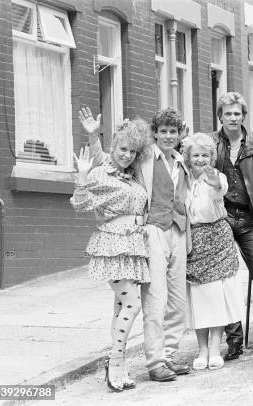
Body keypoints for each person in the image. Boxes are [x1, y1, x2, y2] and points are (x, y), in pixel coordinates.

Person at [80, 107, 192, 381]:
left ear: (179, 135)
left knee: (178, 301)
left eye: (173, 132)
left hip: (178, 230)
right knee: (155, 299)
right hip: (150, 230)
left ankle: (170, 354)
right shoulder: (143, 159)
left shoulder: (181, 160)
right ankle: (155, 362)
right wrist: (94, 137)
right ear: (154, 134)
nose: (168, 136)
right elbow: (108, 160)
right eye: (162, 131)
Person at [70, 119, 150, 391]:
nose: (126, 155)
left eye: (132, 151)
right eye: (122, 149)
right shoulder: (99, 174)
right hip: (112, 245)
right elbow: (80, 205)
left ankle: (119, 366)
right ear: (113, 146)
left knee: (120, 306)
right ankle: (114, 361)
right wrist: (81, 178)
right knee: (132, 304)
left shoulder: (132, 174)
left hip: (133, 246)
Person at [206, 92, 253, 359]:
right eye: (228, 113)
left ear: (243, 116)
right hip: (221, 218)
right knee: (225, 280)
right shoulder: (211, 143)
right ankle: (234, 340)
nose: (233, 118)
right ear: (220, 116)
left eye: (237, 113)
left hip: (251, 219)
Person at [183, 133, 244, 371]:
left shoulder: (215, 176)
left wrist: (213, 182)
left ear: (212, 156)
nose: (200, 159)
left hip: (217, 237)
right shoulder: (183, 179)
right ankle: (202, 350)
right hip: (194, 239)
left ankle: (216, 348)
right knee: (198, 296)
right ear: (188, 157)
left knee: (217, 296)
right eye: (195, 155)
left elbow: (220, 189)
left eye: (205, 155)